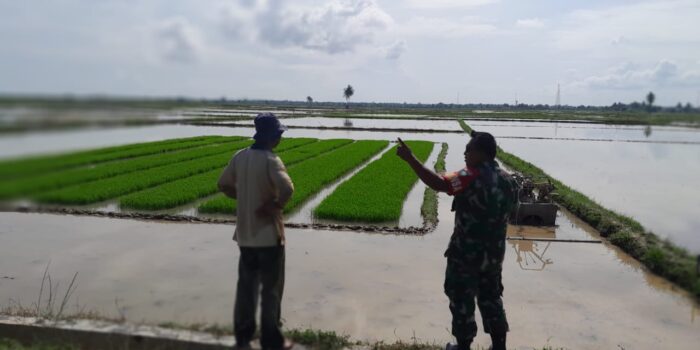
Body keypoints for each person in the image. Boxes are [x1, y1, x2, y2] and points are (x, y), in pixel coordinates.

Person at [396, 132, 517, 350]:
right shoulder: (509, 180)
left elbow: (439, 183)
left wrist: (411, 159)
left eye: (469, 149)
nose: (465, 153)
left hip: (466, 255)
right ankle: (499, 346)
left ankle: (463, 346)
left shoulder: (469, 175)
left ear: (481, 153)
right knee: (491, 297)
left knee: (462, 298)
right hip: (494, 255)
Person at [217, 113, 295, 350]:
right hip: (269, 238)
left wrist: (243, 197)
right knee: (270, 290)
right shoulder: (271, 160)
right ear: (272, 137)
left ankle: (243, 339)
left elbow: (223, 184)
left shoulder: (240, 157)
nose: (280, 139)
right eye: (279, 134)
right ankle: (271, 341)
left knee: (246, 289)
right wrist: (274, 206)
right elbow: (287, 189)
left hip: (245, 236)